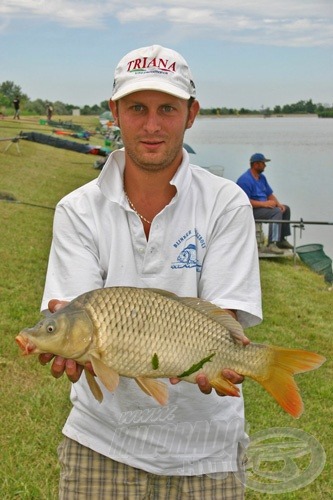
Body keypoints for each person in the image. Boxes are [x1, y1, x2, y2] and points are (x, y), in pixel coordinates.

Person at [39, 45, 262, 499]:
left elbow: (223, 316)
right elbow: (80, 319)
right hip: (99, 443)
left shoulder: (226, 202)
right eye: (137, 108)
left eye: (168, 109)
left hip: (207, 451)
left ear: (191, 113)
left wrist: (222, 361)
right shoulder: (77, 210)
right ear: (114, 112)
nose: (152, 125)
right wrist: (63, 343)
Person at [237, 153, 293, 254]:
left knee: (285, 209)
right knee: (276, 212)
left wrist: (278, 204)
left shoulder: (262, 178)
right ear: (256, 165)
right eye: (263, 163)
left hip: (264, 208)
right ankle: (272, 243)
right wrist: (264, 204)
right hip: (251, 210)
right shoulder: (245, 180)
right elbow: (244, 201)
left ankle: (281, 240)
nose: (265, 165)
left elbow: (269, 194)